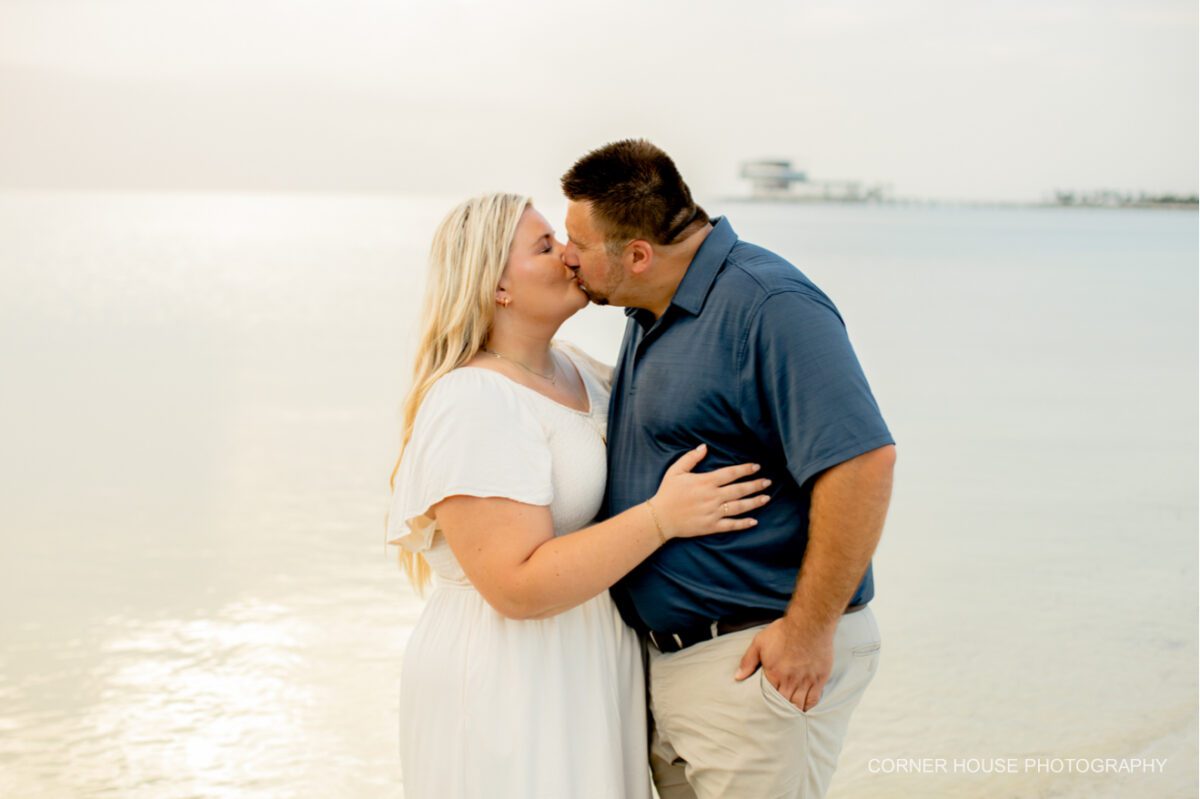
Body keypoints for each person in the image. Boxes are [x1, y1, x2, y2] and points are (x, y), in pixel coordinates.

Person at [385, 192, 773, 799]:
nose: (571, 255)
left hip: (588, 659)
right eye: (546, 246)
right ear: (497, 288)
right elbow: (515, 586)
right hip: (511, 674)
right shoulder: (474, 402)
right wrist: (661, 519)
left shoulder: (578, 369)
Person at [560, 140, 897, 799]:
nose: (569, 256)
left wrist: (807, 633)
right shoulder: (651, 308)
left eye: (578, 242)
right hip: (675, 668)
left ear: (636, 254)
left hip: (755, 661)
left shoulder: (770, 304)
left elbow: (862, 462)